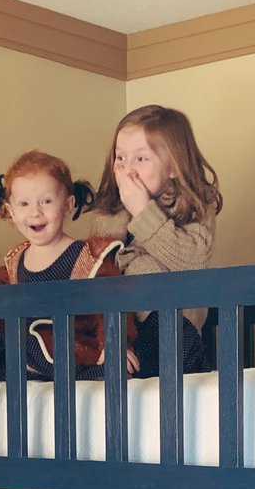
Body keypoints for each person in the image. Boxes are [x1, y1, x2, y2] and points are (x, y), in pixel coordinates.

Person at [0, 149, 138, 382]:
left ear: (69, 205)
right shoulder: (16, 259)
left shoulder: (89, 256)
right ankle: (24, 368)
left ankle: (91, 372)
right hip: (28, 347)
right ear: (11, 210)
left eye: (46, 201)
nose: (35, 212)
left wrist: (115, 344)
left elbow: (112, 306)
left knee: (43, 348)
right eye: (24, 204)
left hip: (77, 347)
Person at [88, 104, 223, 376]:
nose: (128, 170)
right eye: (121, 158)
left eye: (141, 159)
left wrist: (142, 212)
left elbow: (192, 262)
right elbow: (99, 275)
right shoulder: (108, 213)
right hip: (122, 327)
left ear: (173, 166)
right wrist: (113, 340)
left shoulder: (195, 202)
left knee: (174, 340)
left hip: (172, 325)